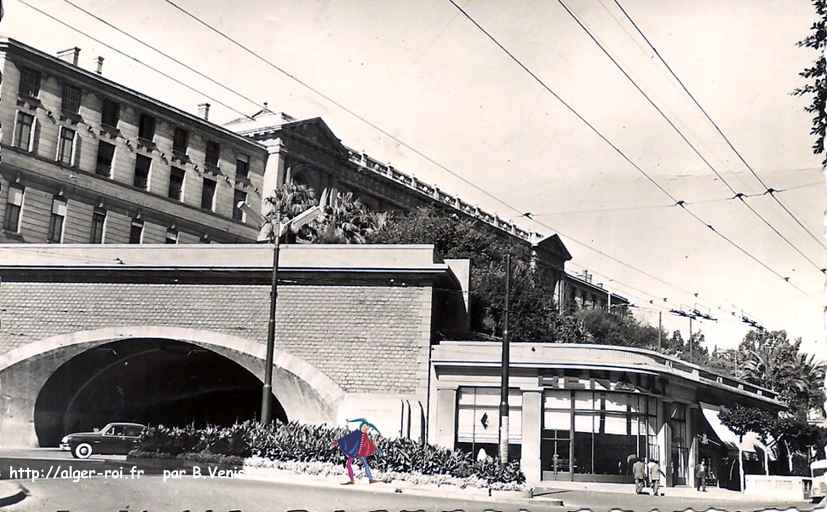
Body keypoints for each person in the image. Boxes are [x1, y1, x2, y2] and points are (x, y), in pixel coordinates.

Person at [331, 418, 381, 485]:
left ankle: (371, 479)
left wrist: (379, 433)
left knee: (365, 464)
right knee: (348, 465)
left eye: (367, 428)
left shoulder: (366, 436)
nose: (366, 429)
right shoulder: (357, 433)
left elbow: (370, 443)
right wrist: (338, 442)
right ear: (361, 427)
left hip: (361, 453)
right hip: (354, 451)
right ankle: (352, 480)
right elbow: (348, 437)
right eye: (364, 427)